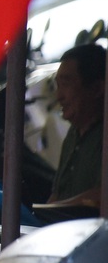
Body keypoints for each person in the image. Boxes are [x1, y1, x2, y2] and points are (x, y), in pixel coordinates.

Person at [43, 42, 105, 217]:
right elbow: (57, 193)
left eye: (66, 84)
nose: (59, 96)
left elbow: (102, 195)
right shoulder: (73, 134)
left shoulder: (104, 135)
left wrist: (52, 209)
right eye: (58, 85)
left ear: (97, 89)